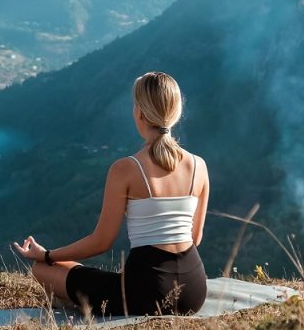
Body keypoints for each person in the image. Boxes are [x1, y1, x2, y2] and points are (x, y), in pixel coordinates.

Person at [13, 71, 209, 316]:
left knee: (41, 269)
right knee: (73, 270)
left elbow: (101, 242)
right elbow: (195, 237)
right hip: (194, 292)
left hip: (145, 294)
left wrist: (47, 255)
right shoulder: (199, 166)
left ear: (139, 113)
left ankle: (74, 300)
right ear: (177, 112)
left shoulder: (126, 169)